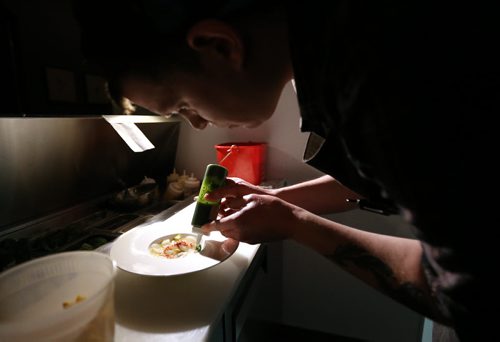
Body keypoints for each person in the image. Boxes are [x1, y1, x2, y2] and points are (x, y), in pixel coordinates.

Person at [74, 1, 497, 340]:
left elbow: (461, 294)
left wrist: (295, 223)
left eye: (183, 105)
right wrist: (277, 200)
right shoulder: (335, 38)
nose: (198, 124)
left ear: (220, 46)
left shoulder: (381, 78)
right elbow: (372, 178)